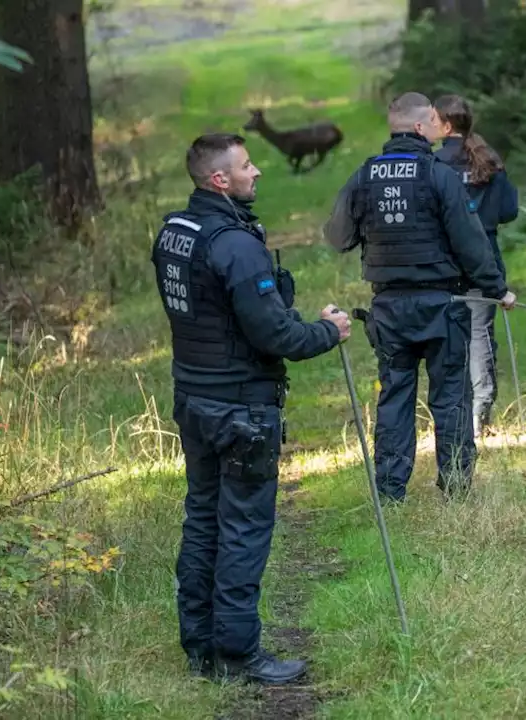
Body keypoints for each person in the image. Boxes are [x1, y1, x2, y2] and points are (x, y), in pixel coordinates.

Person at [153, 132, 352, 685]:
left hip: (193, 399)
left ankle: (200, 648)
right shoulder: (235, 245)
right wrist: (328, 331)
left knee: (202, 519)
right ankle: (240, 652)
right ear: (220, 179)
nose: (257, 172)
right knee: (242, 526)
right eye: (246, 166)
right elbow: (274, 334)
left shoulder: (176, 232)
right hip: (240, 408)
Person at [322, 92, 514, 503]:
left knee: (394, 395)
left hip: (389, 308)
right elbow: (470, 242)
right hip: (442, 305)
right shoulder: (438, 174)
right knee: (450, 398)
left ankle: (391, 492)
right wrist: (496, 288)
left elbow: (338, 237)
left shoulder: (365, 175)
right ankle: (457, 487)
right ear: (423, 125)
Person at [432, 94, 521, 437]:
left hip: (444, 266)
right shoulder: (488, 161)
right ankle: (480, 412)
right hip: (484, 263)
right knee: (480, 337)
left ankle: (452, 410)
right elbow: (509, 211)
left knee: (445, 339)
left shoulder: (433, 164)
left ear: (445, 125)